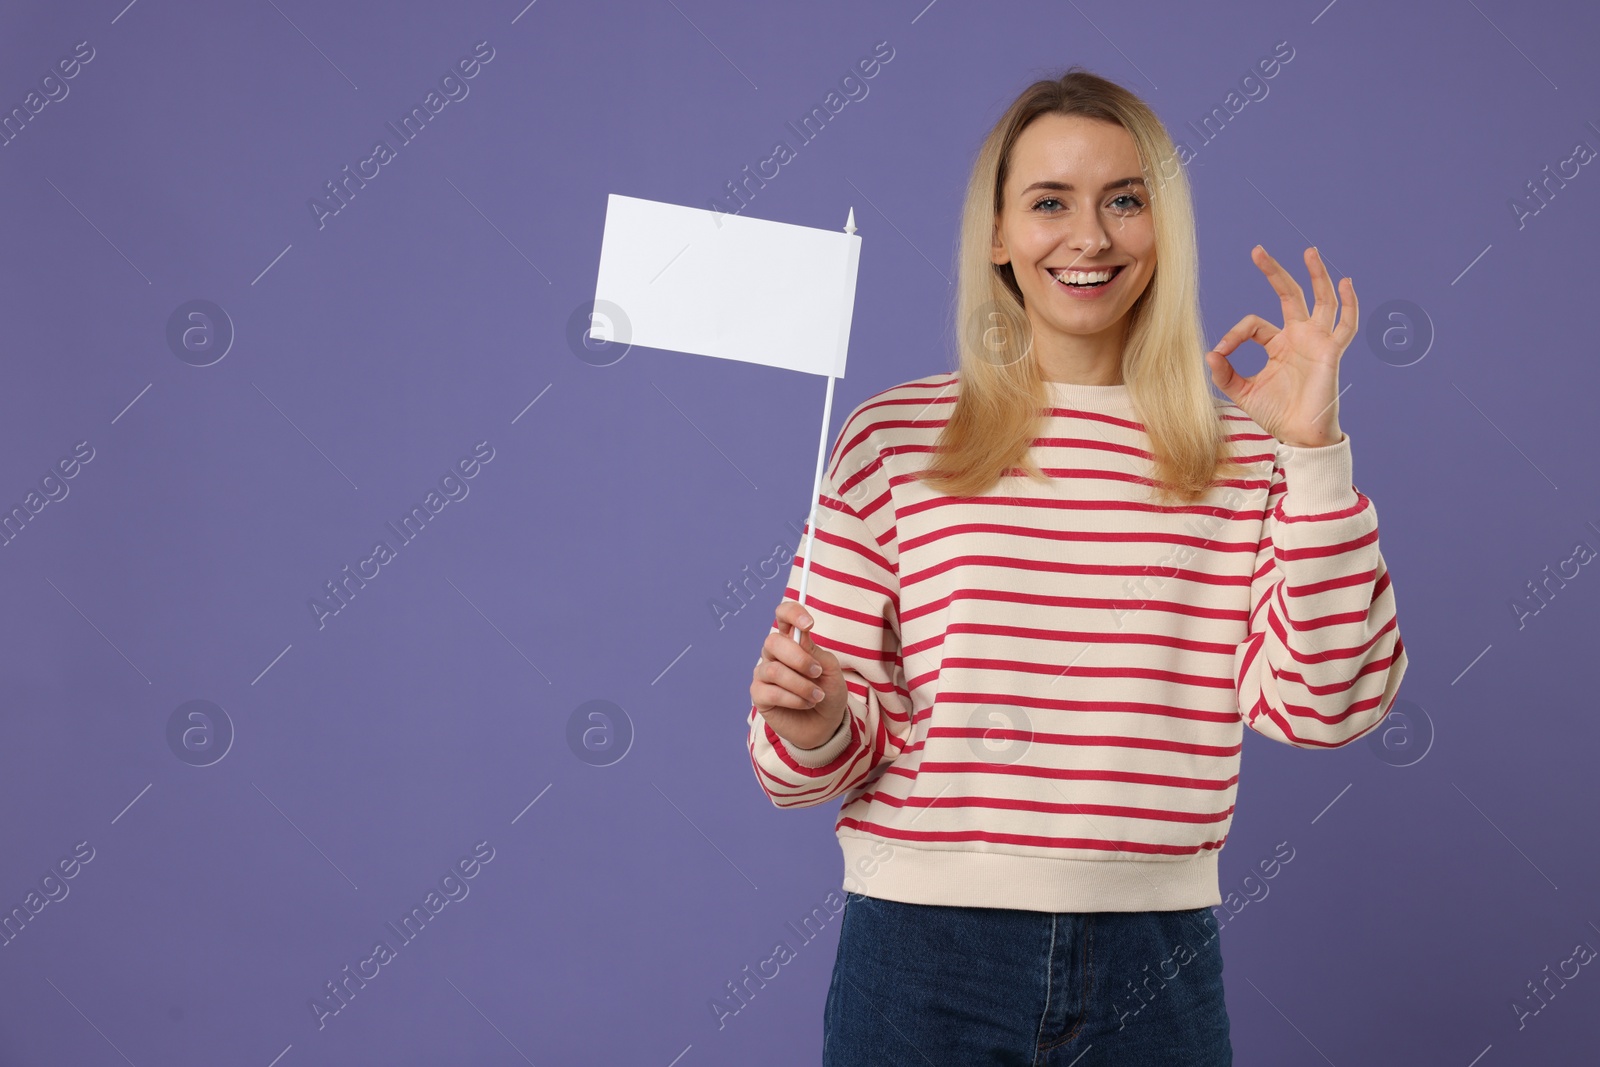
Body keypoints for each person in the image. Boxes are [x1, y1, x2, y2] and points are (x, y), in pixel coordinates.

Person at [745, 67, 1407, 1066]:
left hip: (1156, 960)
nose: (1089, 237)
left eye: (1124, 201)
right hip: (921, 952)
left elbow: (1326, 706)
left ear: (1162, 226)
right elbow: (801, 767)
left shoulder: (1247, 456)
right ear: (999, 236)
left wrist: (1312, 451)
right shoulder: (891, 437)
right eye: (1049, 201)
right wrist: (813, 718)